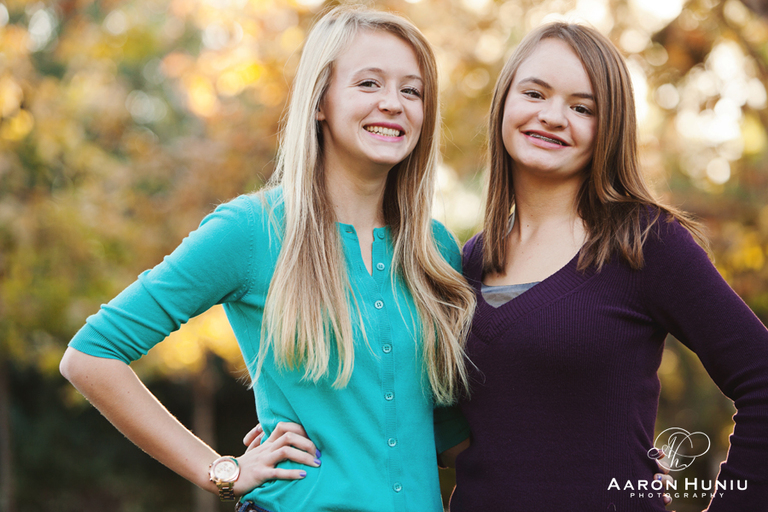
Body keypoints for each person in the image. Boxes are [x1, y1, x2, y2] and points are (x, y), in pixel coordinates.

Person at [59, 5, 477, 512]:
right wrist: (220, 470)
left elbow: (442, 426)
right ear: (320, 101)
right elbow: (91, 355)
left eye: (411, 90)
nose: (393, 103)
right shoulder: (252, 231)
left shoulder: (437, 250)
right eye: (369, 84)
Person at [448, 21, 768, 511]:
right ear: (504, 104)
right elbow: (438, 428)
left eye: (582, 107)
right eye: (534, 93)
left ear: (609, 128)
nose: (553, 116)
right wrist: (289, 431)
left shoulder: (645, 242)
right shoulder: (465, 262)